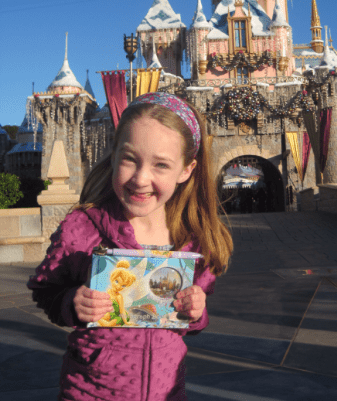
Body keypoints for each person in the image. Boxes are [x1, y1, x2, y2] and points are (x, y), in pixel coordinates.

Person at [28, 92, 233, 401]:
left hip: (167, 391)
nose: (141, 178)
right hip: (89, 393)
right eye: (129, 159)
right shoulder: (81, 228)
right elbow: (46, 290)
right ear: (114, 154)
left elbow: (192, 322)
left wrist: (196, 310)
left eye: (161, 165)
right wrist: (72, 302)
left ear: (186, 170)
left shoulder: (193, 241)